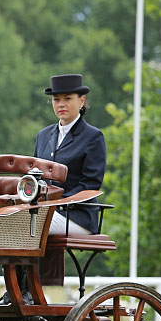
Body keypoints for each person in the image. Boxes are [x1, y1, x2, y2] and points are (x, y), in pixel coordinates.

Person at [34, 74, 106, 235]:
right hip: (44, 211)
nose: (61, 104)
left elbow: (91, 184)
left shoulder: (92, 137)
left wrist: (57, 201)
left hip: (77, 216)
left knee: (30, 223)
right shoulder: (43, 135)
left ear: (81, 101)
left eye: (67, 99)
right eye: (56, 100)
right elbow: (35, 176)